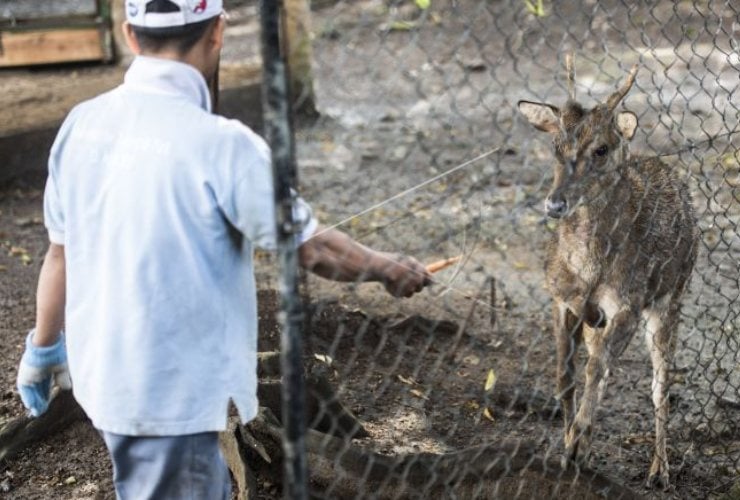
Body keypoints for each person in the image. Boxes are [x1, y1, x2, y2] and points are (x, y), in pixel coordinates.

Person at [14, 1, 431, 498]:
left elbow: (59, 253)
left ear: (128, 34)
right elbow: (311, 248)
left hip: (102, 377)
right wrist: (387, 268)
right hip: (169, 397)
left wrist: (42, 349)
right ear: (217, 32)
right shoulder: (223, 145)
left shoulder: (82, 124)